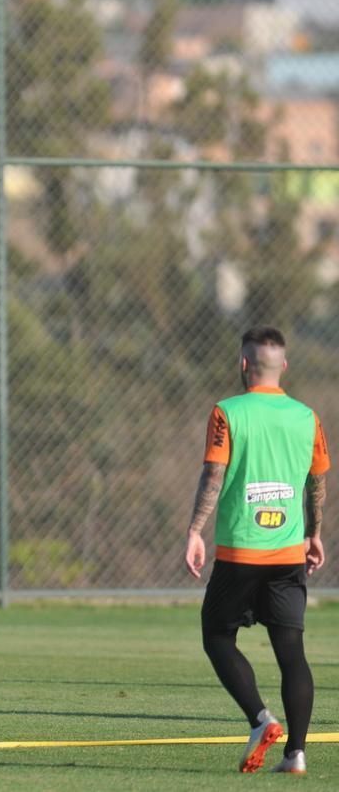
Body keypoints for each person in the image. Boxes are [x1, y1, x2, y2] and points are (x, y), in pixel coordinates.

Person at [184, 326, 328, 775]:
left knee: (217, 636)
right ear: (282, 366)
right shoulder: (307, 417)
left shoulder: (227, 412)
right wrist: (314, 534)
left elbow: (214, 472)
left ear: (243, 364)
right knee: (292, 652)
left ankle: (261, 718)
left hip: (241, 555)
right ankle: (297, 755)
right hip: (288, 555)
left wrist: (194, 530)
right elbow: (317, 480)